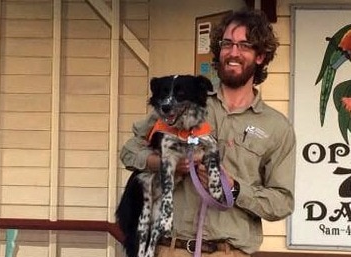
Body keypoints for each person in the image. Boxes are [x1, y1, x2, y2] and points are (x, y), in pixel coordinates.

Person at [120, 9, 296, 257]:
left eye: (245, 45)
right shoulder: (183, 100)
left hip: (229, 251)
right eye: (227, 44)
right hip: (170, 248)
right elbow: (129, 152)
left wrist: (235, 189)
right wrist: (164, 163)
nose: (233, 52)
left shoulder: (277, 127)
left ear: (260, 56)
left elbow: (282, 202)